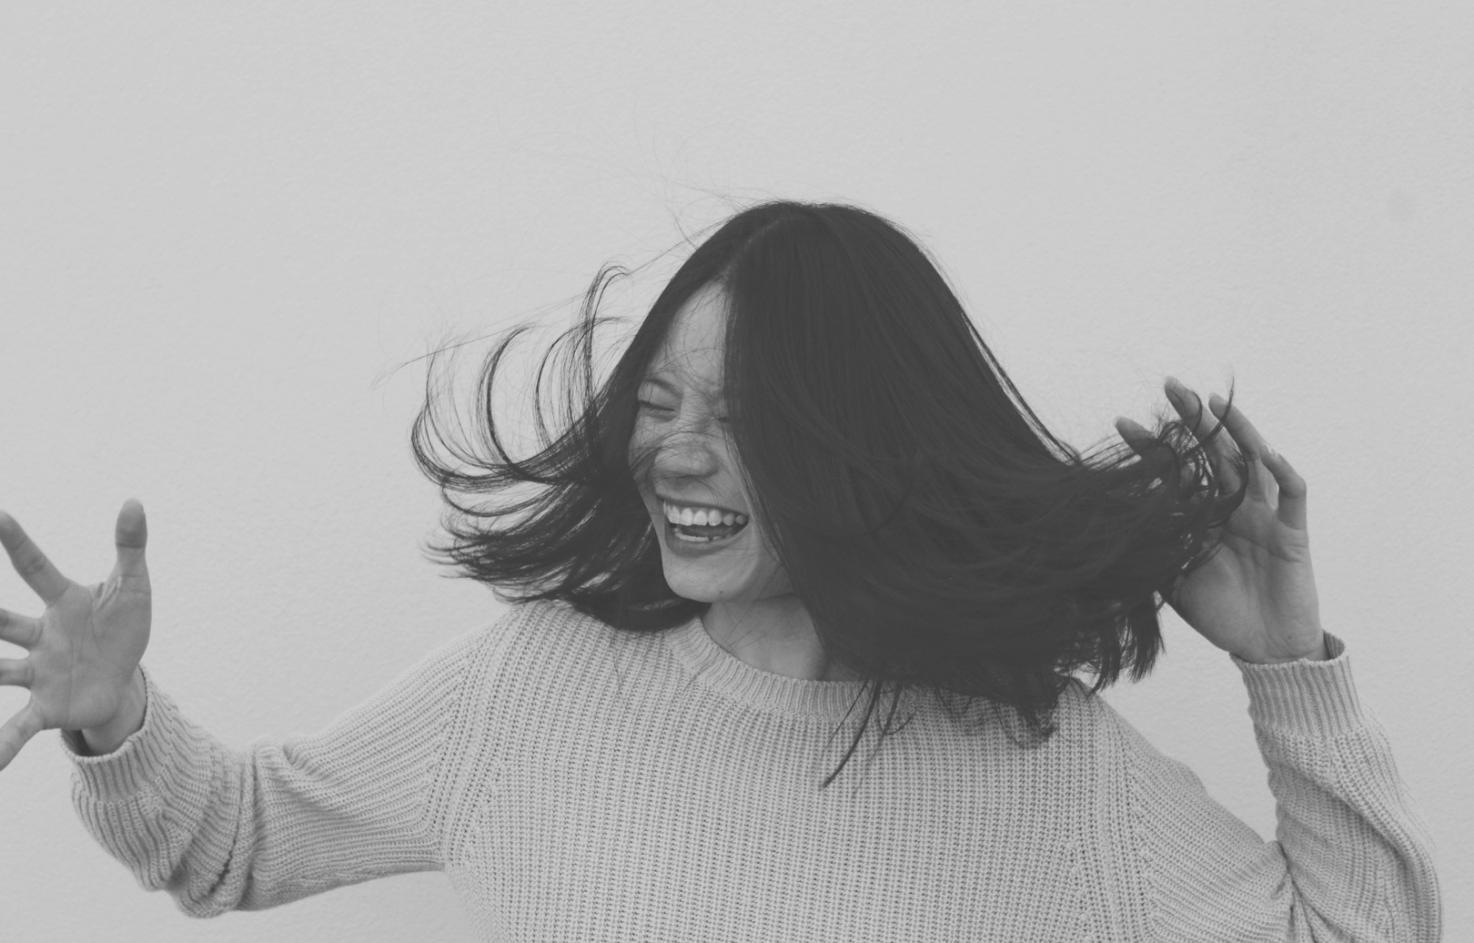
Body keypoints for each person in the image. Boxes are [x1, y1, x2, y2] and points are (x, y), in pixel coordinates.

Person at [0, 201, 1440, 939]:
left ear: (864, 450)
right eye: (659, 401)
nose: (674, 455)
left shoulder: (1046, 768)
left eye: (743, 418)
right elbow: (241, 835)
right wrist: (117, 721)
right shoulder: (538, 688)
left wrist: (1287, 668)